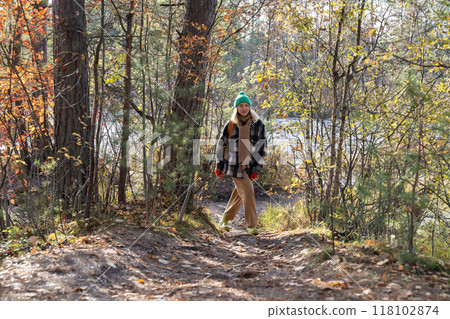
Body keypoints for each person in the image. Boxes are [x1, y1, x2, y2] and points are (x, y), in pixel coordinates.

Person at [215, 91, 267, 235]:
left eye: (246, 105)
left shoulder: (258, 124)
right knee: (248, 191)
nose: (244, 108)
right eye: (240, 106)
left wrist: (257, 168)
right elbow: (222, 145)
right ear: (236, 108)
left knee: (240, 192)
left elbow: (262, 148)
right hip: (234, 165)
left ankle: (224, 220)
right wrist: (219, 166)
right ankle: (251, 225)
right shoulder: (231, 125)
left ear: (250, 107)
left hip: (250, 165)